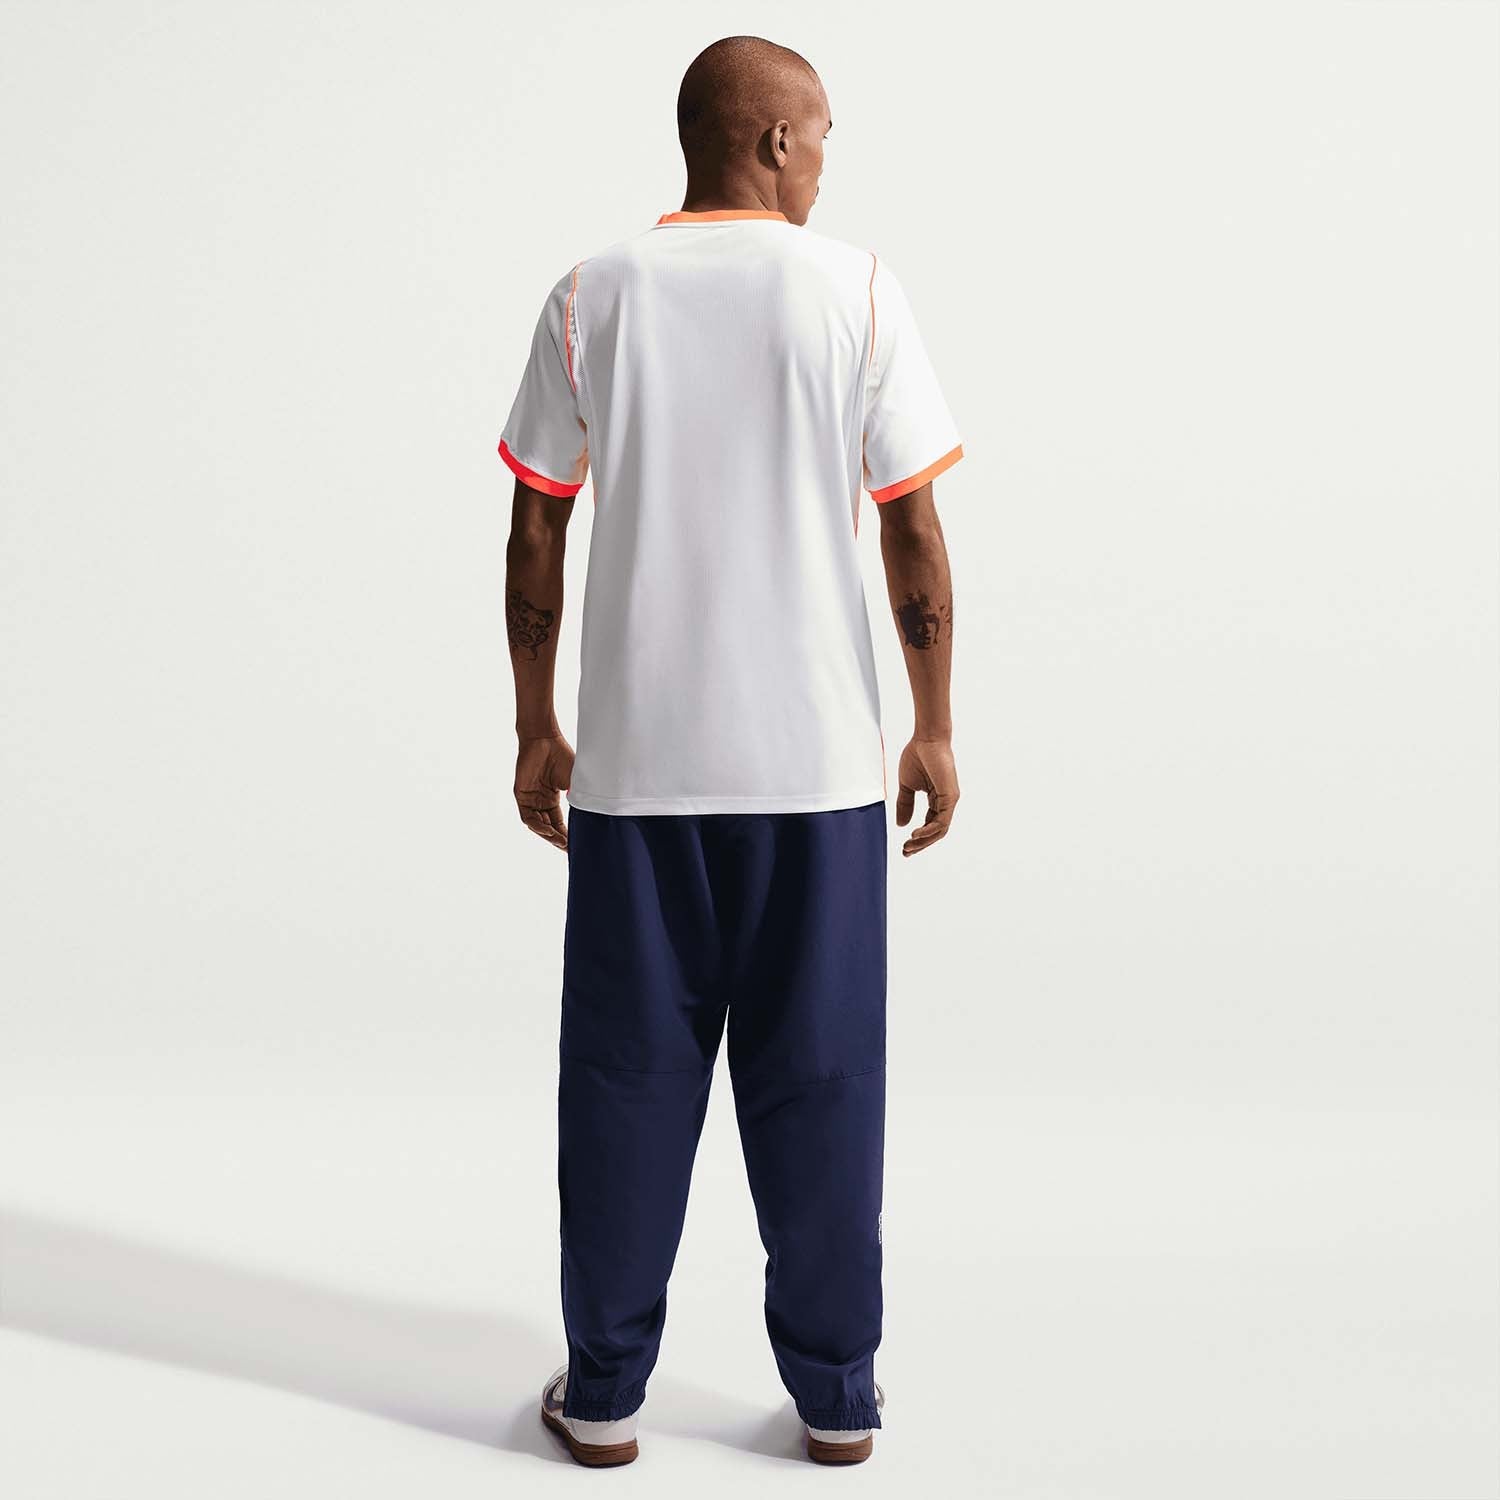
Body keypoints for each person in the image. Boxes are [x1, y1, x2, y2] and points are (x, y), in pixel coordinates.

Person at [498, 35, 962, 1468]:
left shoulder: (591, 295)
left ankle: (604, 1394)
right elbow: (912, 526)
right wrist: (935, 722)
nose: (824, 165)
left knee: (622, 1086)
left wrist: (535, 721)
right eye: (818, 139)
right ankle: (836, 1398)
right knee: (823, 1087)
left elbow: (535, 525)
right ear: (770, 141)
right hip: (817, 776)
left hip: (639, 774)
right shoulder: (858, 291)